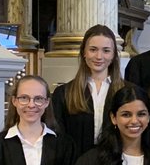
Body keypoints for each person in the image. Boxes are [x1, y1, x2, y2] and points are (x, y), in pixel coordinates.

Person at [50, 24, 123, 155]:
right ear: (84, 52)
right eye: (93, 49)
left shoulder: (127, 91)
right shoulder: (64, 93)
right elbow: (59, 137)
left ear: (113, 55)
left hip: (117, 163)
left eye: (106, 50)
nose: (99, 56)